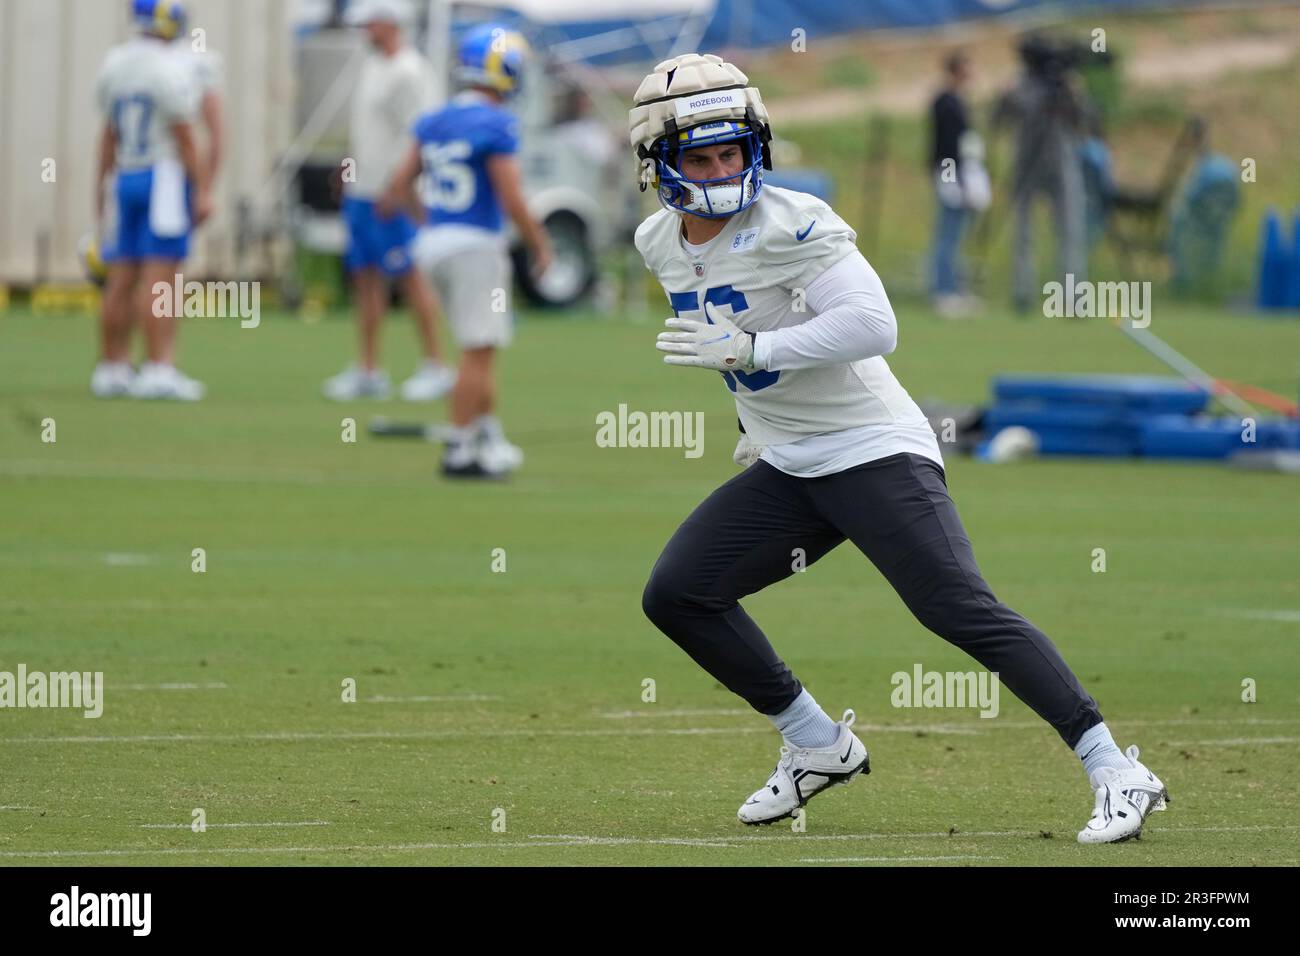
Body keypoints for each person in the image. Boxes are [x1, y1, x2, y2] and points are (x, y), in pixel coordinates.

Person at [630, 52, 1169, 842]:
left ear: (757, 147)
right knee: (677, 594)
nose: (720, 168)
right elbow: (735, 329)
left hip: (872, 447)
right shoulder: (658, 240)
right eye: (700, 155)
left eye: (732, 150)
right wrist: (755, 418)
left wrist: (753, 351)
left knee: (956, 608)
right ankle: (818, 743)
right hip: (791, 463)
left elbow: (874, 325)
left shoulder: (794, 221)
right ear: (659, 163)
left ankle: (1117, 767)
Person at [382, 23, 552, 478]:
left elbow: (399, 185)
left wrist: (427, 224)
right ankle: (459, 449)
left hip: (434, 242)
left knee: (482, 347)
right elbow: (512, 196)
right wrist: (540, 243)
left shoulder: (435, 117)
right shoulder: (496, 123)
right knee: (477, 351)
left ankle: (487, 433)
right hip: (475, 242)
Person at [323, 0, 454, 402]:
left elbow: (422, 135)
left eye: (371, 24)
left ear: (391, 23)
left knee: (411, 277)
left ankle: (435, 364)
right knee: (365, 279)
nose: (365, 31)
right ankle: (368, 369)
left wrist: (399, 187)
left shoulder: (410, 72)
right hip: (363, 193)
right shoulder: (373, 65)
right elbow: (370, 129)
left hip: (391, 195)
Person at [92, 0, 212, 401]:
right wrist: (203, 189)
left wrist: (100, 187)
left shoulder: (114, 63)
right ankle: (159, 368)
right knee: (163, 280)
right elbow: (185, 137)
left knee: (121, 277)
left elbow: (108, 134)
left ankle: (112, 366)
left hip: (126, 173)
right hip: (163, 178)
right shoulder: (167, 67)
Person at [928, 51, 985, 317]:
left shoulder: (960, 101)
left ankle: (955, 288)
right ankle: (943, 290)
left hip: (961, 171)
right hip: (950, 172)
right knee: (947, 233)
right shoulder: (945, 101)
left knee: (957, 234)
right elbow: (945, 146)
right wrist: (953, 181)